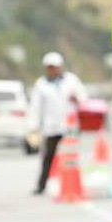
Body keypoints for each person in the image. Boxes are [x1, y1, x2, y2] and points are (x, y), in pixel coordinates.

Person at [28, 51, 87, 195]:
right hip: (51, 126)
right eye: (49, 67)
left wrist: (77, 98)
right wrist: (33, 127)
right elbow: (36, 107)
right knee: (48, 157)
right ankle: (41, 185)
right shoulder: (41, 85)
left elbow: (83, 97)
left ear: (60, 67)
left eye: (54, 67)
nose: (52, 70)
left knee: (72, 156)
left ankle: (73, 183)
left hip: (70, 127)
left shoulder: (71, 80)